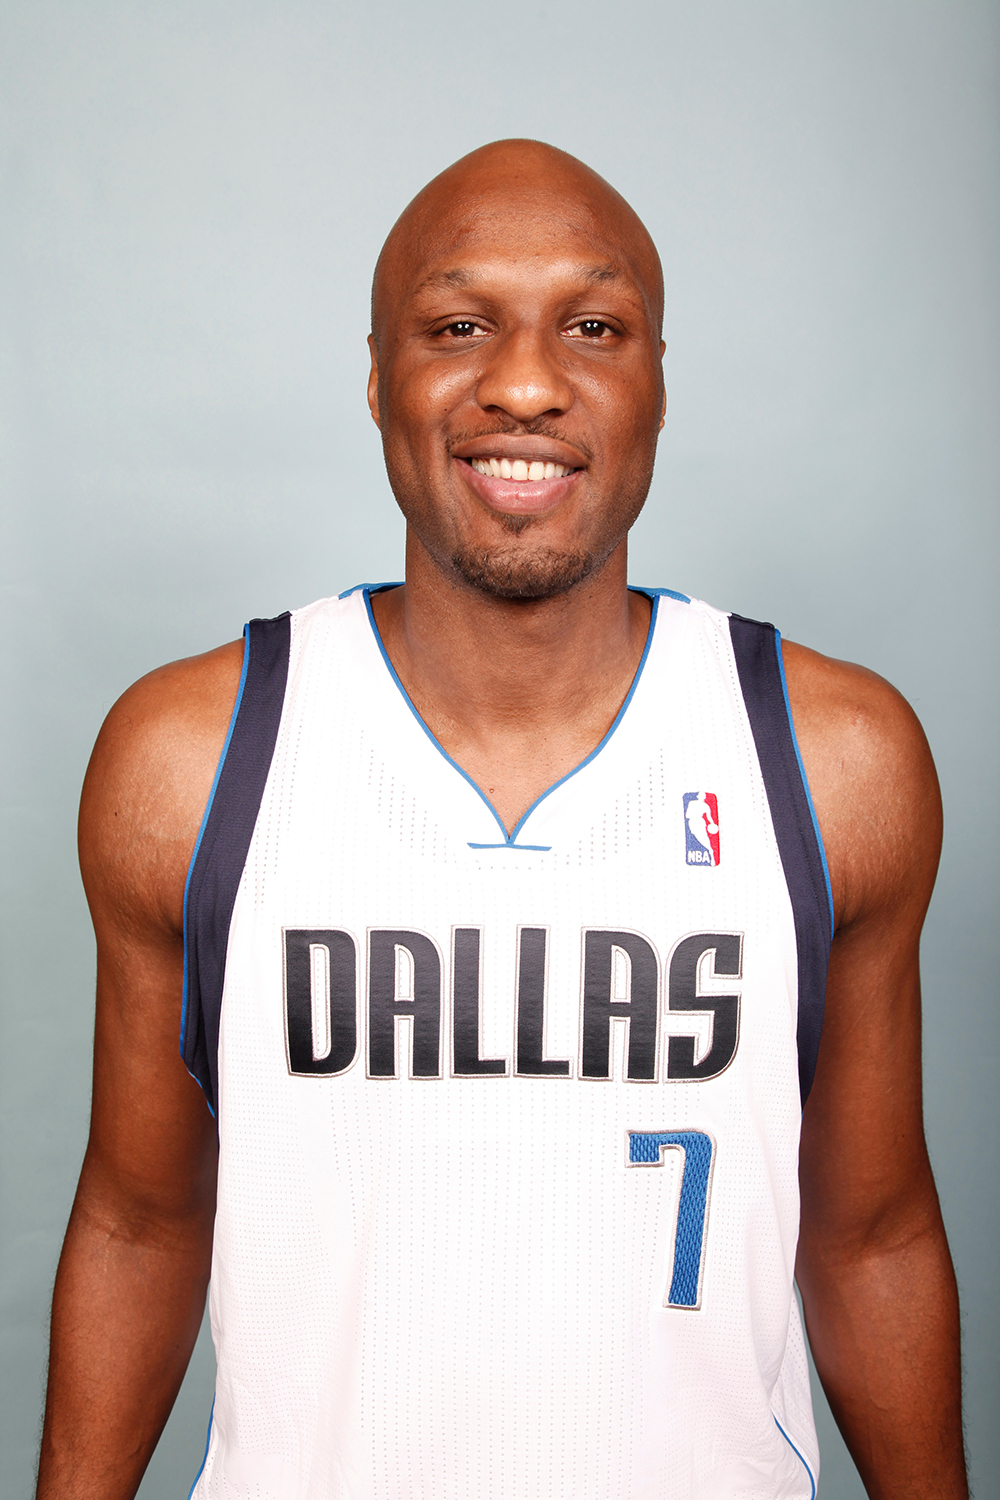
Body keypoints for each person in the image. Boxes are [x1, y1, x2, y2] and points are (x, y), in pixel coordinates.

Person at [36, 139, 967, 1500]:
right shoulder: (194, 758)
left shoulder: (833, 760)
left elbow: (872, 1234)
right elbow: (138, 1216)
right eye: (458, 325)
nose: (526, 385)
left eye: (593, 328)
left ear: (655, 383)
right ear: (376, 376)